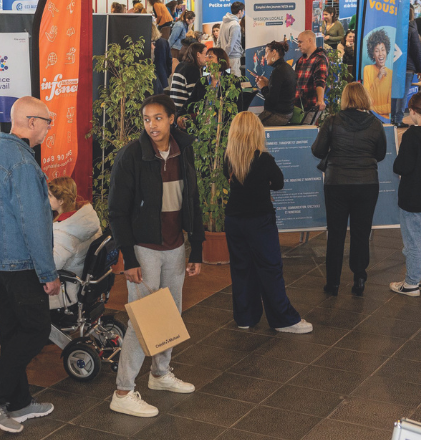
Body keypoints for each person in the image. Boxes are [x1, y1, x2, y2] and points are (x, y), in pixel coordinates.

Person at [108, 94, 204, 418]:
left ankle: (160, 374)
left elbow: (192, 199)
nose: (152, 125)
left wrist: (198, 247)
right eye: (147, 119)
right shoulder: (131, 156)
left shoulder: (183, 150)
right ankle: (123, 391)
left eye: (158, 118)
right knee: (142, 322)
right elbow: (117, 212)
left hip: (175, 247)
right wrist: (129, 259)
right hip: (145, 250)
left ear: (172, 118)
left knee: (171, 315)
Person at [0, 97, 57, 433]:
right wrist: (47, 274)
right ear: (31, 122)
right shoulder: (22, 162)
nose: (48, 129)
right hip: (22, 264)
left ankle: (18, 403)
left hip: (0, 261)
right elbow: (34, 223)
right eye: (47, 122)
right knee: (37, 329)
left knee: (15, 330)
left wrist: (2, 230)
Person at [224, 112, 313, 333]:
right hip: (260, 221)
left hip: (234, 220)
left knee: (241, 268)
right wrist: (264, 188)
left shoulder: (229, 158)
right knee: (270, 267)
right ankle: (283, 319)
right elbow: (279, 183)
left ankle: (245, 317)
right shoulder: (264, 159)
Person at [311, 83, 386, 296]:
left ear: (345, 99)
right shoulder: (376, 124)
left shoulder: (332, 121)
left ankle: (333, 283)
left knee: (336, 233)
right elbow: (379, 155)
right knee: (361, 233)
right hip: (367, 184)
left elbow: (318, 151)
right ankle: (359, 278)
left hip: (337, 183)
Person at [391, 92, 421, 297]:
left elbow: (402, 167)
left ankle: (411, 284)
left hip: (412, 199)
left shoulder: (410, 136)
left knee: (413, 242)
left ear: (414, 111)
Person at [46, 177, 102, 310]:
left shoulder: (64, 232)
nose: (46, 198)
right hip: (84, 283)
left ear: (61, 201)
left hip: (66, 290)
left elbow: (52, 266)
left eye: (49, 195)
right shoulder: (87, 218)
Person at [392, 7, 421, 127]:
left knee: (394, 93)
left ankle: (392, 118)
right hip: (407, 67)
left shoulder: (393, 27)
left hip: (394, 65)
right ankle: (398, 119)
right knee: (402, 94)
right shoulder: (411, 28)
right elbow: (417, 50)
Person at [255, 40, 297, 126]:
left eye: (266, 53)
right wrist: (269, 83)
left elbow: (272, 100)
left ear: (274, 52)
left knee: (253, 128)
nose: (265, 57)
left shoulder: (278, 71)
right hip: (286, 113)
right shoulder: (286, 68)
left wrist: (263, 87)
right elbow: (282, 90)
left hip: (278, 115)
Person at [169, 42, 208, 127]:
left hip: (175, 111)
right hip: (184, 114)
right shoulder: (192, 69)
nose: (207, 58)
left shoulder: (181, 65)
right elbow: (195, 97)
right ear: (198, 54)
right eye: (205, 54)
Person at [294, 31, 328, 124]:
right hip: (297, 106)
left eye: (300, 42)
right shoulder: (301, 60)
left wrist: (320, 100)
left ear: (310, 40)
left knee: (305, 135)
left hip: (311, 106)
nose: (298, 45)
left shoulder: (320, 58)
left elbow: (320, 80)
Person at [363, 29, 393, 120]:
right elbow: (367, 98)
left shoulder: (391, 74)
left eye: (383, 50)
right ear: (372, 54)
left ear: (386, 52)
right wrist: (378, 77)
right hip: (370, 118)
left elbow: (390, 107)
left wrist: (372, 109)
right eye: (377, 51)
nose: (380, 54)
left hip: (385, 120)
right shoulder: (367, 69)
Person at [218, 1, 245, 76]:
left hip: (225, 56)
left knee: (226, 80)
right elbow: (231, 44)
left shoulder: (223, 22)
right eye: (243, 11)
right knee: (235, 80)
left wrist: (222, 56)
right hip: (232, 57)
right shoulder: (235, 25)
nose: (243, 13)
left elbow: (218, 41)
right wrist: (225, 56)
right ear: (240, 11)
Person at [152, 24, 172, 93]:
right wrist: (167, 73)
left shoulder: (145, 42)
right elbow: (169, 59)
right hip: (162, 74)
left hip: (150, 76)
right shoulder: (164, 42)